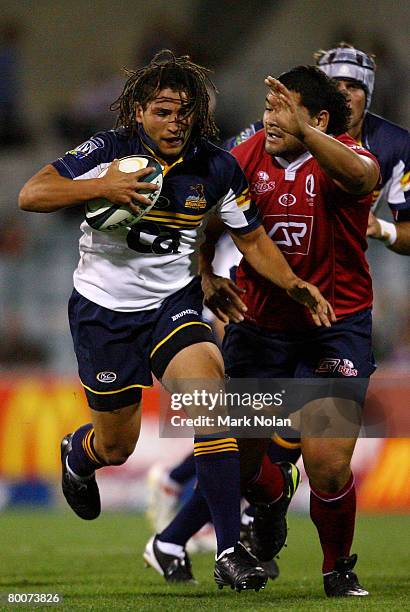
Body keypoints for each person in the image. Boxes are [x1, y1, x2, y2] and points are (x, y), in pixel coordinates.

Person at [19, 50, 333, 593]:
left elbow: (252, 237)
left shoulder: (216, 167)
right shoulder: (108, 151)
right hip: (103, 312)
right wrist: (101, 188)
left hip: (173, 304)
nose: (175, 123)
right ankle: (79, 453)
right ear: (138, 111)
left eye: (185, 113)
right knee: (117, 446)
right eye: (163, 111)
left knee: (210, 397)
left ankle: (228, 551)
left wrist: (292, 284)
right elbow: (32, 193)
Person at [145, 64, 380, 597]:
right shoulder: (245, 158)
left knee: (325, 465)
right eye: (268, 106)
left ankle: (337, 568)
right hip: (260, 329)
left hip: (334, 329)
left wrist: (310, 132)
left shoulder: (348, 155)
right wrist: (205, 274)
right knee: (242, 459)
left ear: (318, 118)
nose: (268, 118)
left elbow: (365, 180)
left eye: (283, 109)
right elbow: (204, 218)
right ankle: (271, 503)